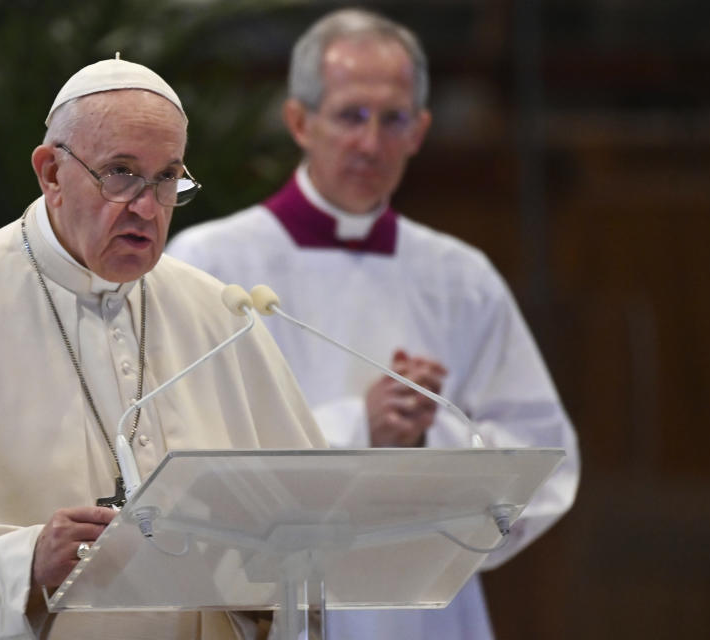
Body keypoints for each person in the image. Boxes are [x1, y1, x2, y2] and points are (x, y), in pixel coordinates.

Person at [0, 56, 326, 640]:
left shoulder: (218, 314)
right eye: (120, 173)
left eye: (167, 178)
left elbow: (305, 535)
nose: (147, 207)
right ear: (50, 173)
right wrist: (27, 563)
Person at [167, 8, 580, 640]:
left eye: (393, 120)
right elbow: (180, 460)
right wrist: (361, 428)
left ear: (420, 131)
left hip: (427, 617)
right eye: (351, 116)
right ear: (299, 120)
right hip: (270, 608)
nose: (371, 142)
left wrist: (429, 437)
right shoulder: (208, 264)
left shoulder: (461, 277)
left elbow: (546, 459)